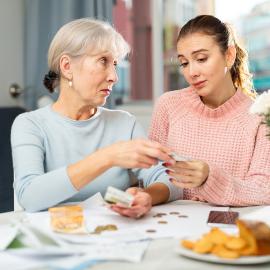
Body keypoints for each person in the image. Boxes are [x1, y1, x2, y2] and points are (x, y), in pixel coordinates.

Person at [11, 18, 181, 216]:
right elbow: (30, 197)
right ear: (67, 67)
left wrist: (147, 196)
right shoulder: (30, 124)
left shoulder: (125, 123)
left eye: (115, 64)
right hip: (54, 237)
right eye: (103, 61)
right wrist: (107, 157)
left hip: (112, 236)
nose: (114, 76)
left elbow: (170, 180)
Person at [149, 15, 270, 206]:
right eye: (184, 62)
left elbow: (263, 191)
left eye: (201, 59)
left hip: (228, 228)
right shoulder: (168, 105)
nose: (192, 72)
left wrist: (209, 178)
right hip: (169, 224)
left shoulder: (261, 116)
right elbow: (151, 173)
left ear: (229, 56)